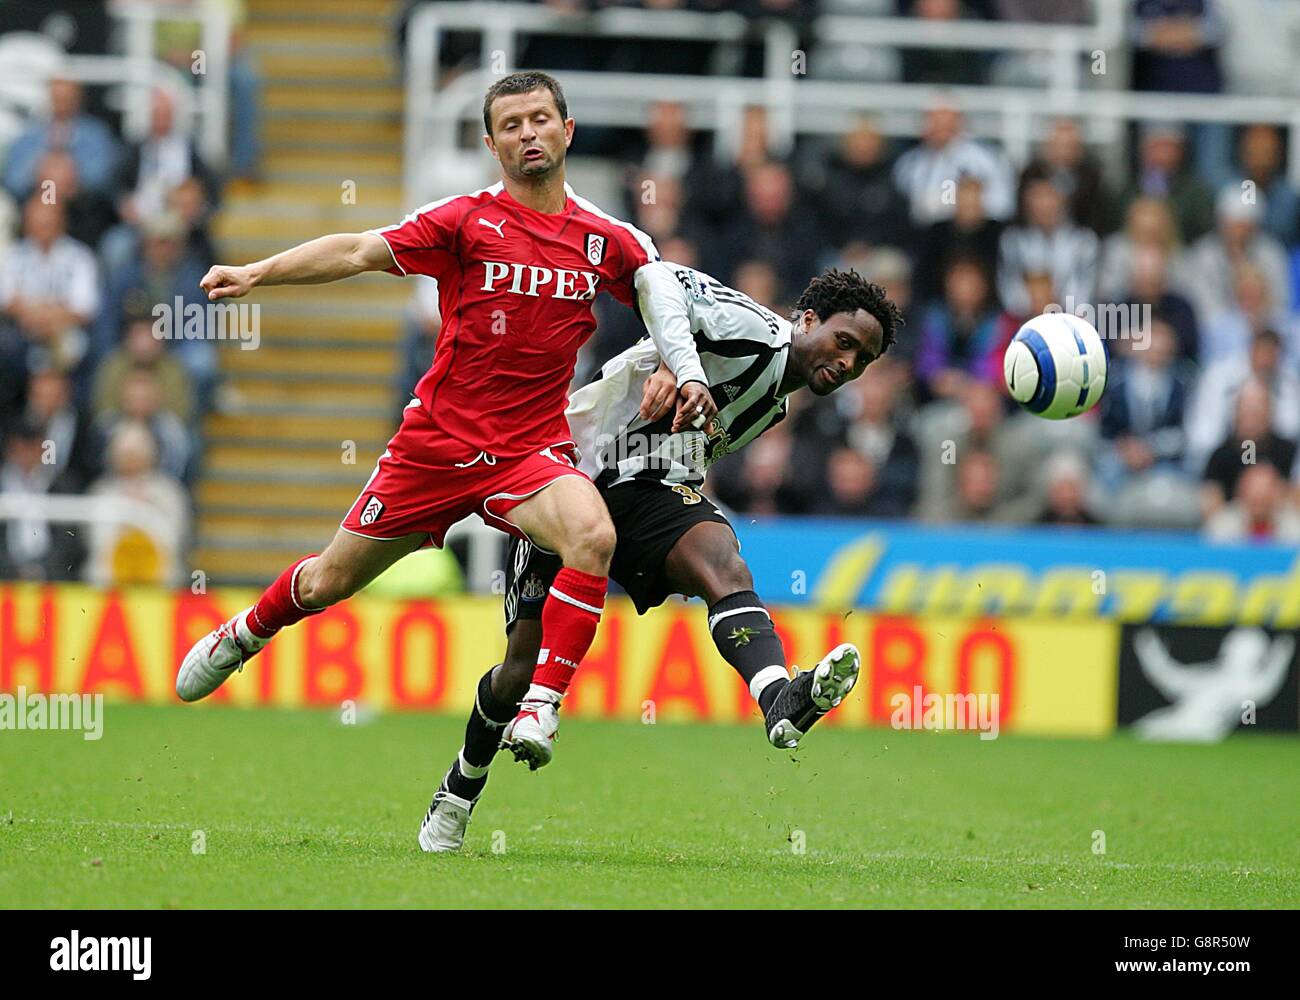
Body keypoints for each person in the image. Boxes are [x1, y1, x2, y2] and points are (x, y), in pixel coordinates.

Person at [174, 73, 714, 776]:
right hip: (434, 446)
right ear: (492, 144)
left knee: (593, 533)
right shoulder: (465, 220)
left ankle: (542, 704)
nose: (529, 134)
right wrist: (259, 272)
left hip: (529, 453)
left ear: (568, 130)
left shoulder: (608, 238)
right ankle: (248, 631)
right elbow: (358, 250)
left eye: (541, 119)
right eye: (512, 125)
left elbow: (668, 296)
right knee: (327, 584)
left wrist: (678, 364)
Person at [417, 263, 902, 852]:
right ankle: (459, 790)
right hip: (566, 473)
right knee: (516, 670)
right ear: (806, 320)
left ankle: (780, 699)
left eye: (863, 360)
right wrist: (680, 364)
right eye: (844, 342)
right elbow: (659, 279)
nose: (848, 363)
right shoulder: (754, 330)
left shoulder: (776, 402)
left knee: (723, 562)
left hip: (646, 486)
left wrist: (679, 362)